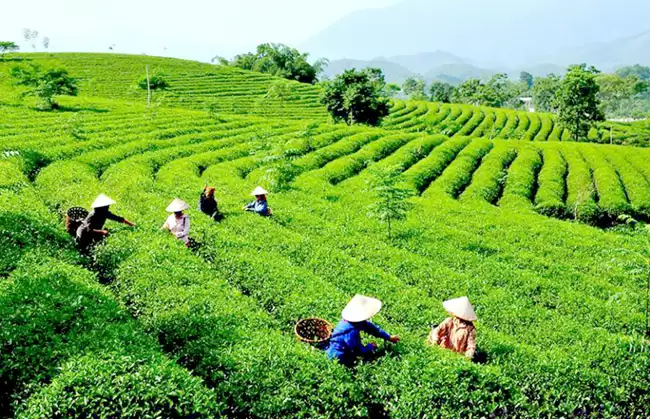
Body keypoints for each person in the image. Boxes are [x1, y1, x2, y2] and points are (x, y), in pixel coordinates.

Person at [326, 295, 399, 366]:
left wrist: (389, 337)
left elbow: (374, 329)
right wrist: (370, 347)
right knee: (366, 360)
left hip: (341, 349)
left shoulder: (354, 321)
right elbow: (358, 350)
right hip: (338, 356)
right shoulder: (352, 332)